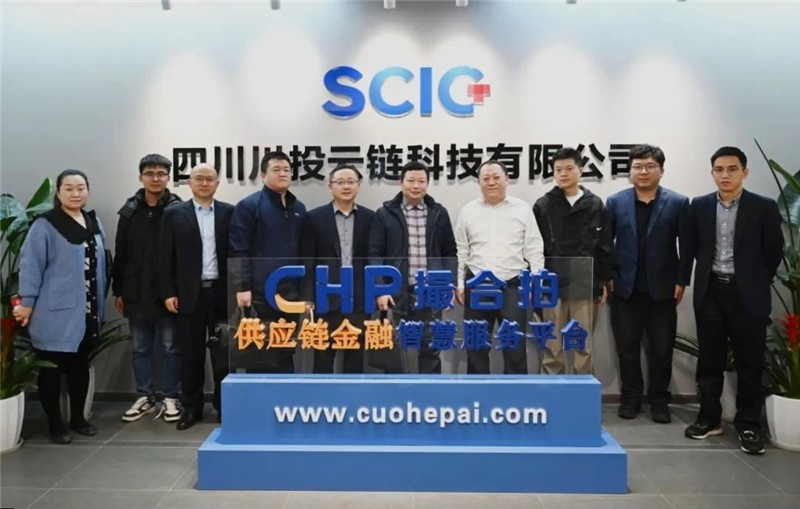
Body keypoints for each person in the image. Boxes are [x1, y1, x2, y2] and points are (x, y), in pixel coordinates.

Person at [684, 146, 783, 455]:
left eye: (732, 169)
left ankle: (749, 424)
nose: (725, 175)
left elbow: (773, 251)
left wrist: (754, 281)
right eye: (719, 169)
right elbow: (691, 247)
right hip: (711, 292)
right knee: (709, 360)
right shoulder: (699, 206)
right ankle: (709, 418)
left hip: (748, 295)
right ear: (712, 173)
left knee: (750, 362)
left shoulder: (763, 207)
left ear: (744, 172)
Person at [15, 169, 108, 443]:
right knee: (52, 370)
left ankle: (78, 418)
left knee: (80, 367)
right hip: (53, 312)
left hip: (87, 312)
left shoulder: (92, 222)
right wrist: (27, 303)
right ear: (58, 193)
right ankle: (55, 424)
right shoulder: (45, 225)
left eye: (81, 188)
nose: (75, 193)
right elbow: (31, 266)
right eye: (69, 188)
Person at [606, 144, 692, 423]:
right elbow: (605, 244)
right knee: (627, 348)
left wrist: (682, 280)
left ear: (661, 171)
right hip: (625, 288)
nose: (643, 171)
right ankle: (631, 398)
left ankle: (659, 401)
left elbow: (687, 246)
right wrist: (608, 277)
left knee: (661, 349)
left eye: (650, 166)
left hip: (663, 290)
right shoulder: (615, 202)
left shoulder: (678, 202)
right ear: (630, 171)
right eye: (637, 166)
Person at [159, 163, 234, 430]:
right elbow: (165, 256)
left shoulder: (229, 212)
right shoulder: (173, 214)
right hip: (188, 295)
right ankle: (192, 408)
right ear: (189, 183)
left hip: (221, 293)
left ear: (217, 183)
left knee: (223, 354)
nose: (204, 183)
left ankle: (225, 408)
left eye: (209, 179)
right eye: (199, 178)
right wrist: (168, 292)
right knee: (191, 355)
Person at [455, 160, 544, 374]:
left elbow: (534, 249)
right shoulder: (468, 211)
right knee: (476, 346)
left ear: (507, 180)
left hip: (513, 285)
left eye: (496, 177)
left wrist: (536, 282)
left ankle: (514, 393)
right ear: (479, 182)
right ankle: (478, 393)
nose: (491, 182)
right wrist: (460, 283)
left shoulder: (522, 209)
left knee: (514, 347)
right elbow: (461, 251)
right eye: (486, 178)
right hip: (477, 285)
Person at [368, 161, 457, 374]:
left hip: (430, 291)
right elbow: (374, 254)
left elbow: (449, 252)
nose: (416, 186)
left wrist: (449, 285)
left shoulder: (438, 212)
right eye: (410, 180)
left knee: (430, 348)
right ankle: (396, 392)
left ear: (427, 183)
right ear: (401, 183)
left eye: (421, 181)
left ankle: (429, 392)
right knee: (394, 348)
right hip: (396, 292)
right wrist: (380, 289)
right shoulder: (385, 213)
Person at [113, 154, 182, 423]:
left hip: (167, 293)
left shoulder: (177, 209)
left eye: (161, 174)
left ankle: (171, 396)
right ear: (140, 177)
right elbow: (121, 252)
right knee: (140, 348)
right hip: (136, 292)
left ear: (168, 178)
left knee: (171, 348)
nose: (155, 178)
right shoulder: (130, 211)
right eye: (150, 173)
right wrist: (118, 290)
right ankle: (145, 396)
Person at [533, 147, 613, 375]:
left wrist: (603, 280)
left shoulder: (594, 204)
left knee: (582, 343)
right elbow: (534, 248)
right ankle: (552, 391)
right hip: (552, 284)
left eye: (569, 168)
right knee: (552, 345)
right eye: (558, 170)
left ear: (580, 170)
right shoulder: (543, 205)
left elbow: (604, 245)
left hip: (585, 283)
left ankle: (582, 391)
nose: (563, 174)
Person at [229, 151, 306, 373]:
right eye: (276, 170)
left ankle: (285, 393)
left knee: (287, 346)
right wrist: (242, 286)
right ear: (263, 175)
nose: (283, 174)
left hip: (291, 294)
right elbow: (238, 249)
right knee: (261, 349)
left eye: (286, 170)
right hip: (260, 293)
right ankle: (260, 395)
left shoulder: (298, 208)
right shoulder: (249, 206)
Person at [300, 164, 375, 373]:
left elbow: (374, 257)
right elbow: (308, 259)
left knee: (356, 356)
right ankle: (322, 393)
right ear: (330, 186)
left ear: (359, 185)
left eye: (351, 182)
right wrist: (308, 297)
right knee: (323, 355)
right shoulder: (314, 218)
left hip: (359, 297)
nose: (346, 186)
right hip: (325, 296)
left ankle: (352, 394)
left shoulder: (370, 218)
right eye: (340, 182)